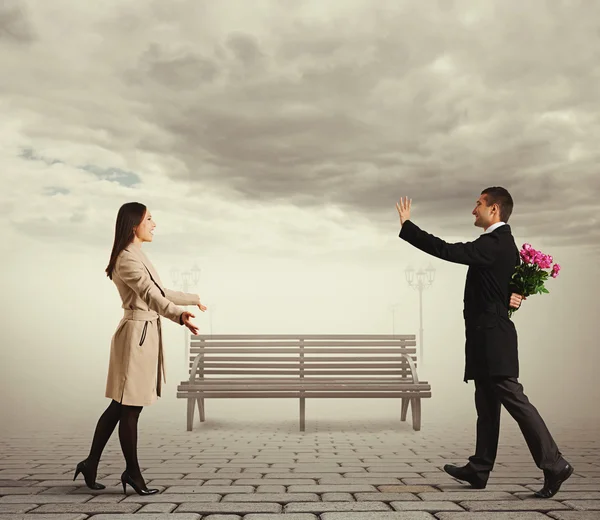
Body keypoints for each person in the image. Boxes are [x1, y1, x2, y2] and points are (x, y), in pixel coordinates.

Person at [395, 187, 573, 499]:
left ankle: (554, 463)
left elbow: (449, 251)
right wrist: (515, 297)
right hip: (487, 336)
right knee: (487, 404)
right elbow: (506, 288)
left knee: (512, 398)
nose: (473, 210)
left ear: (494, 209)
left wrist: (408, 227)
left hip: (492, 338)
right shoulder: (506, 245)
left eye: (478, 204)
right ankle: (480, 468)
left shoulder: (493, 243)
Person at [73, 202, 207, 495]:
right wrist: (179, 316)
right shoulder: (127, 259)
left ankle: (90, 462)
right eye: (149, 218)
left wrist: (191, 298)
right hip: (136, 338)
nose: (154, 223)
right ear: (134, 224)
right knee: (129, 408)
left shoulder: (136, 255)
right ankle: (132, 473)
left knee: (121, 406)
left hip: (143, 335)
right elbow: (149, 294)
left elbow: (159, 291)